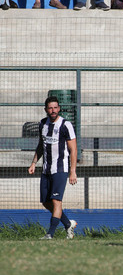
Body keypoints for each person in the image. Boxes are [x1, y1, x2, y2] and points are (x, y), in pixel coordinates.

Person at [28, 96, 78, 240]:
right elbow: (40, 145)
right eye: (50, 108)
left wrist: (72, 171)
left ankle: (50, 233)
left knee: (56, 201)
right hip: (45, 170)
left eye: (55, 107)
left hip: (60, 170)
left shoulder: (65, 125)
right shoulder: (42, 124)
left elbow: (73, 149)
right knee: (46, 202)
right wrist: (33, 163)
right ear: (46, 110)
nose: (53, 110)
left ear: (59, 108)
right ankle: (68, 223)